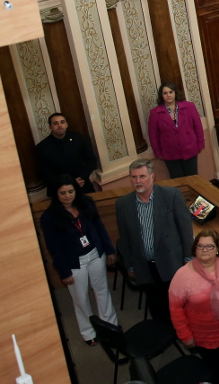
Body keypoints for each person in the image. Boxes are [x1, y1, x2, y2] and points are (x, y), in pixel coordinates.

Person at [115, 159, 192, 325]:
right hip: (144, 267)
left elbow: (185, 229)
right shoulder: (123, 204)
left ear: (152, 176)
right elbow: (125, 239)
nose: (138, 181)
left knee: (179, 304)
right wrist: (130, 265)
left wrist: (188, 258)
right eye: (134, 177)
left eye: (142, 176)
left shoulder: (171, 195)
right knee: (157, 306)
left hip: (171, 263)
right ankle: (164, 333)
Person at [41, 176, 117, 345]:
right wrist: (64, 272)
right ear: (56, 194)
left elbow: (100, 227)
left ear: (76, 190)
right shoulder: (49, 217)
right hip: (74, 262)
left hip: (95, 254)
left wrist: (109, 250)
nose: (67, 196)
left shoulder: (87, 203)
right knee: (80, 298)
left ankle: (111, 326)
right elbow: (54, 248)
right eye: (63, 193)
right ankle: (88, 332)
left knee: (102, 291)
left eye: (70, 191)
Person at [168, 229, 219, 384]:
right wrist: (186, 336)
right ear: (194, 249)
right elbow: (175, 309)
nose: (204, 250)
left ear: (218, 248)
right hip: (205, 334)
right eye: (200, 246)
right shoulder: (182, 276)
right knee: (214, 369)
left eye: (209, 246)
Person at [147, 82, 205, 179]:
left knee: (194, 178)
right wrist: (157, 153)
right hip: (170, 153)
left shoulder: (189, 107)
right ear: (161, 96)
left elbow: (198, 126)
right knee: (178, 180)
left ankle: (197, 195)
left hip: (189, 148)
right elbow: (153, 135)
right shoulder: (155, 113)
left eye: (170, 92)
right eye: (165, 93)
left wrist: (200, 144)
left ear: (175, 93)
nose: (168, 95)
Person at [35, 114, 99, 193]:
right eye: (55, 123)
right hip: (59, 190)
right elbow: (46, 174)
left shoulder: (77, 138)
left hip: (83, 184)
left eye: (62, 122)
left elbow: (92, 160)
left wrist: (82, 177)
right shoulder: (42, 147)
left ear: (66, 124)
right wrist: (70, 183)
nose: (59, 125)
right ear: (50, 127)